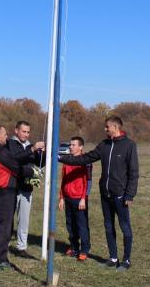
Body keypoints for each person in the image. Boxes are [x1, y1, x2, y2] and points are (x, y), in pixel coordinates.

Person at [58, 115, 138, 272]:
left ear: (115, 127)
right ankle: (113, 257)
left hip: (121, 195)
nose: (105, 129)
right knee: (108, 227)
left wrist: (130, 194)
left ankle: (126, 260)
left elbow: (133, 172)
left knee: (124, 227)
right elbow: (85, 158)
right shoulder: (104, 145)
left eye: (107, 127)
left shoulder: (129, 145)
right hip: (105, 194)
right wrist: (61, 158)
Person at [0, 124, 44, 272]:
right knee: (2, 227)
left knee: (7, 228)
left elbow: (13, 159)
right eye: (4, 135)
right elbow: (14, 164)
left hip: (8, 191)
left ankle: (0, 259)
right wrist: (32, 171)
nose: (7, 137)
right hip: (3, 192)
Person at [7, 120, 43, 259]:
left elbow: (38, 162)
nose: (26, 134)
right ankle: (4, 244)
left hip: (27, 188)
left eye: (28, 132)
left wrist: (42, 154)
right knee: (8, 217)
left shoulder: (29, 145)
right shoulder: (10, 144)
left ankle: (21, 247)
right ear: (16, 131)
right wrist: (32, 149)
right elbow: (15, 159)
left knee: (24, 219)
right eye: (24, 131)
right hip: (12, 187)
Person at [58, 136, 92, 261]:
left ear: (80, 147)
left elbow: (88, 181)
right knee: (70, 224)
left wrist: (84, 198)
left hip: (79, 199)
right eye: (70, 145)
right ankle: (74, 247)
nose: (70, 147)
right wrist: (61, 197)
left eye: (73, 145)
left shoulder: (86, 161)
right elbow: (64, 180)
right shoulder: (67, 160)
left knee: (81, 225)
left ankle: (84, 250)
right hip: (68, 198)